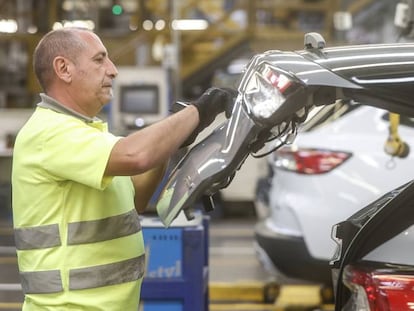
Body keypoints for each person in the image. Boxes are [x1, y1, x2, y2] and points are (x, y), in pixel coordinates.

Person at [11, 27, 235, 311]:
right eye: (99, 60)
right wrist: (199, 112)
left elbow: (136, 200)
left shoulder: (88, 132)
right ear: (63, 69)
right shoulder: (49, 133)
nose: (113, 70)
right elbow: (136, 155)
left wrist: (172, 141)